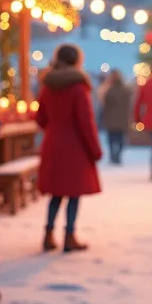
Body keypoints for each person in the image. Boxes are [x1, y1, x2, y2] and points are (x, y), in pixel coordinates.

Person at [36, 44, 102, 252]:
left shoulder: (48, 86)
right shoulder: (78, 87)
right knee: (73, 193)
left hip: (53, 143)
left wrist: (54, 129)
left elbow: (40, 118)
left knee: (56, 193)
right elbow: (85, 121)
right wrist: (95, 149)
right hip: (75, 147)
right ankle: (69, 235)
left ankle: (48, 234)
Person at [99, 69, 131, 165]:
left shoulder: (108, 90)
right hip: (121, 119)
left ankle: (114, 156)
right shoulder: (126, 90)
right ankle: (116, 156)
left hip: (111, 119)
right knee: (120, 140)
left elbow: (104, 104)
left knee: (112, 140)